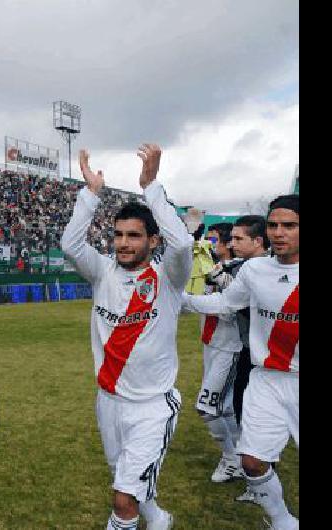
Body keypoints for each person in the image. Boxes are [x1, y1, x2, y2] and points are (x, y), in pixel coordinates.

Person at [62, 145, 193, 530]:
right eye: (118, 235)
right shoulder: (102, 272)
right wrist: (90, 195)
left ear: (153, 241)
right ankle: (158, 518)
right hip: (109, 400)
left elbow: (182, 244)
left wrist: (150, 186)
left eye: (134, 236)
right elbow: (70, 245)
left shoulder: (168, 278)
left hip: (152, 405)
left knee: (122, 499)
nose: (123, 243)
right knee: (125, 474)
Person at [182, 196, 298, 529]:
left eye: (289, 226)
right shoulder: (256, 269)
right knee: (252, 462)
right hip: (267, 378)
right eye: (274, 225)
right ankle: (282, 521)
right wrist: (181, 300)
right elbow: (224, 303)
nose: (279, 232)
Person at [182, 223, 244, 483]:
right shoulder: (216, 269)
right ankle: (242, 456)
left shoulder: (242, 270)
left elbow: (227, 306)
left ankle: (232, 460)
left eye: (214, 240)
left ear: (229, 243)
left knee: (207, 407)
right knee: (225, 406)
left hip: (229, 347)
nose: (209, 244)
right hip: (212, 343)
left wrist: (183, 299)